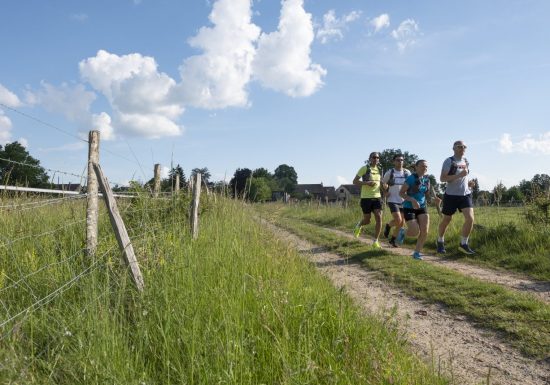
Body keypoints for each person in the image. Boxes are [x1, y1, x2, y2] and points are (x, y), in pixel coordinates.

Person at [437, 140, 476, 255]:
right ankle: (440, 241)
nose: (462, 148)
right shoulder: (449, 161)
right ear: (453, 148)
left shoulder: (466, 161)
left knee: (470, 219)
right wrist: (459, 175)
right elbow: (443, 179)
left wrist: (469, 183)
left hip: (465, 194)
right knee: (447, 219)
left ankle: (463, 244)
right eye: (459, 146)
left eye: (464, 146)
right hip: (451, 195)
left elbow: (464, 177)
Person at [397, 160, 441, 260]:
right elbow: (401, 193)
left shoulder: (427, 180)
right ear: (416, 167)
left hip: (422, 207)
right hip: (409, 207)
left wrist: (435, 200)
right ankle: (403, 232)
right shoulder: (411, 178)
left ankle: (416, 253)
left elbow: (427, 195)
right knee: (414, 232)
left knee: (424, 231)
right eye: (422, 166)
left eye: (426, 166)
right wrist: (412, 199)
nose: (424, 168)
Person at [353, 152, 383, 249]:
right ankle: (359, 225)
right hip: (366, 198)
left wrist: (385, 186)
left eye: (377, 157)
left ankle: (375, 241)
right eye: (374, 157)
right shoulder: (364, 168)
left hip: (377, 197)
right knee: (367, 220)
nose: (376, 159)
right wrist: (367, 183)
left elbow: (381, 183)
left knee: (379, 217)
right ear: (370, 158)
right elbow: (355, 181)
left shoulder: (379, 169)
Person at [381, 154, 411, 247]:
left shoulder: (407, 173)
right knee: (398, 220)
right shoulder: (390, 172)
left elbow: (411, 184)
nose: (400, 162)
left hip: (404, 200)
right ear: (394, 162)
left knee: (402, 223)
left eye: (402, 160)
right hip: (392, 199)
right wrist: (385, 192)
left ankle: (392, 239)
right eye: (398, 160)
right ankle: (389, 226)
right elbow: (382, 183)